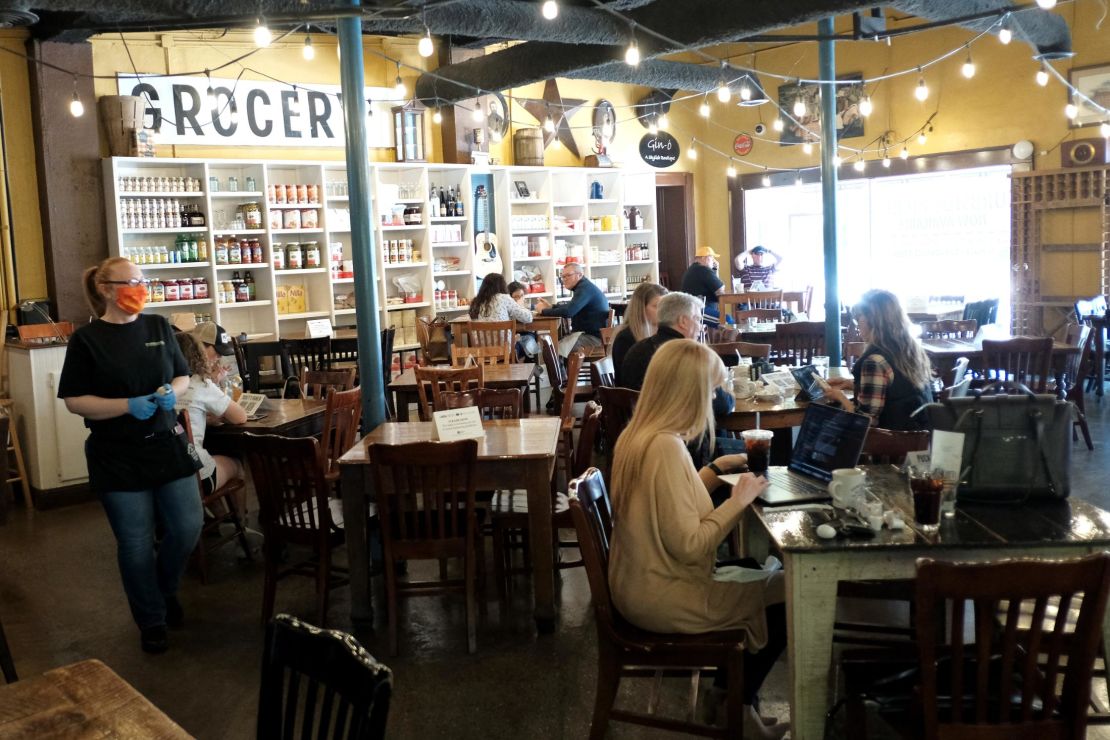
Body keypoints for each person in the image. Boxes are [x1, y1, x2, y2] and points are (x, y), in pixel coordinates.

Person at [608, 340, 788, 738]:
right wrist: (738, 501)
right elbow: (690, 543)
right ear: (689, 393)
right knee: (791, 595)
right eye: (710, 391)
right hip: (664, 596)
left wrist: (714, 469)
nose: (714, 399)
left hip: (637, 586)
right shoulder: (665, 448)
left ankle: (730, 703)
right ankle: (735, 709)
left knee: (761, 576)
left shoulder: (640, 435)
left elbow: (672, 507)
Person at [58, 257, 202, 655]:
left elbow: (181, 373)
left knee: (188, 526)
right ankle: (151, 620)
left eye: (143, 281)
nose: (140, 288)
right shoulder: (86, 341)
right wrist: (126, 405)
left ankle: (165, 588)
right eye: (131, 282)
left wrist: (174, 389)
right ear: (106, 289)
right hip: (116, 453)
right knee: (135, 543)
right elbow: (74, 401)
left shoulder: (157, 326)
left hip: (167, 443)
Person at [822, 289, 934, 430]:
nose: (858, 325)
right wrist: (849, 384)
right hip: (921, 437)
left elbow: (865, 422)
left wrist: (840, 397)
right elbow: (896, 390)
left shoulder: (874, 361)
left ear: (872, 321)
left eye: (859, 318)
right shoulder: (909, 348)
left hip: (893, 444)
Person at [174, 327, 248, 502]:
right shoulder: (200, 383)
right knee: (237, 465)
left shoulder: (161, 385)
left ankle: (217, 524)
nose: (218, 358)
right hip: (193, 472)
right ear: (199, 351)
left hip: (165, 473)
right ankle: (242, 523)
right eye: (215, 352)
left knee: (210, 459)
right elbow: (241, 417)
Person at [535, 262, 609, 352]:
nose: (564, 279)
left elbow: (569, 311)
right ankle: (562, 366)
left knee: (553, 349)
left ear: (580, 275)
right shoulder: (583, 287)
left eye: (568, 276)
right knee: (552, 345)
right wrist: (551, 307)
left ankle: (561, 366)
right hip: (589, 335)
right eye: (563, 277)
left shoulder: (585, 289)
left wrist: (543, 311)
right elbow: (570, 306)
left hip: (593, 339)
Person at [609, 281, 666, 386]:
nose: (662, 311)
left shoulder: (662, 334)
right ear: (641, 308)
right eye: (656, 306)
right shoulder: (625, 338)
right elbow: (631, 382)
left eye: (664, 306)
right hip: (633, 398)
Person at [680, 246, 725, 325]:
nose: (714, 261)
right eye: (712, 258)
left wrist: (715, 270)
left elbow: (716, 286)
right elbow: (720, 290)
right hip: (696, 310)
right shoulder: (704, 270)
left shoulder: (694, 268)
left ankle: (714, 337)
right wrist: (714, 270)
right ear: (705, 258)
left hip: (689, 308)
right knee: (728, 320)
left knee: (717, 311)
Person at [469, 272, 533, 324]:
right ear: (502, 285)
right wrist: (520, 305)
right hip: (503, 340)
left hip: (481, 340)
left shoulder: (477, 301)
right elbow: (528, 318)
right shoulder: (504, 298)